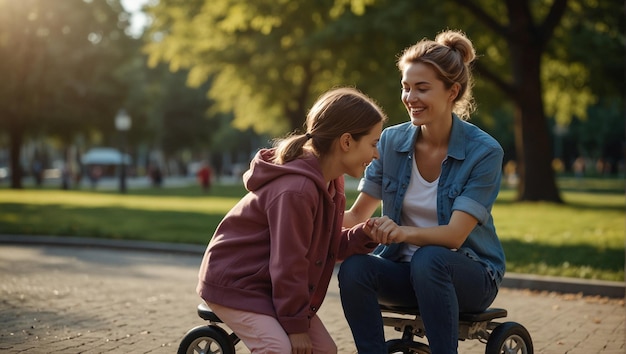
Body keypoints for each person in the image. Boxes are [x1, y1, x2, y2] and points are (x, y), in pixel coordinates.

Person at [338, 30, 506, 354]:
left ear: (452, 91)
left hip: (469, 275)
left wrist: (400, 232)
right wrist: (302, 209)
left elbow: (456, 236)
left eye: (422, 88)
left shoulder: (484, 152)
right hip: (405, 273)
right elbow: (356, 215)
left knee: (430, 260)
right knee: (355, 268)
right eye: (405, 87)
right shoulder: (389, 141)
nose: (410, 97)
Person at [196, 87, 387, 353]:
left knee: (325, 351)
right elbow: (289, 263)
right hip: (237, 283)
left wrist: (363, 235)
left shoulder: (331, 182)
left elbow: (322, 249)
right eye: (373, 143)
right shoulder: (297, 190)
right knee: (280, 349)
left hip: (268, 285)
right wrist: (296, 328)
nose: (376, 154)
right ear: (346, 142)